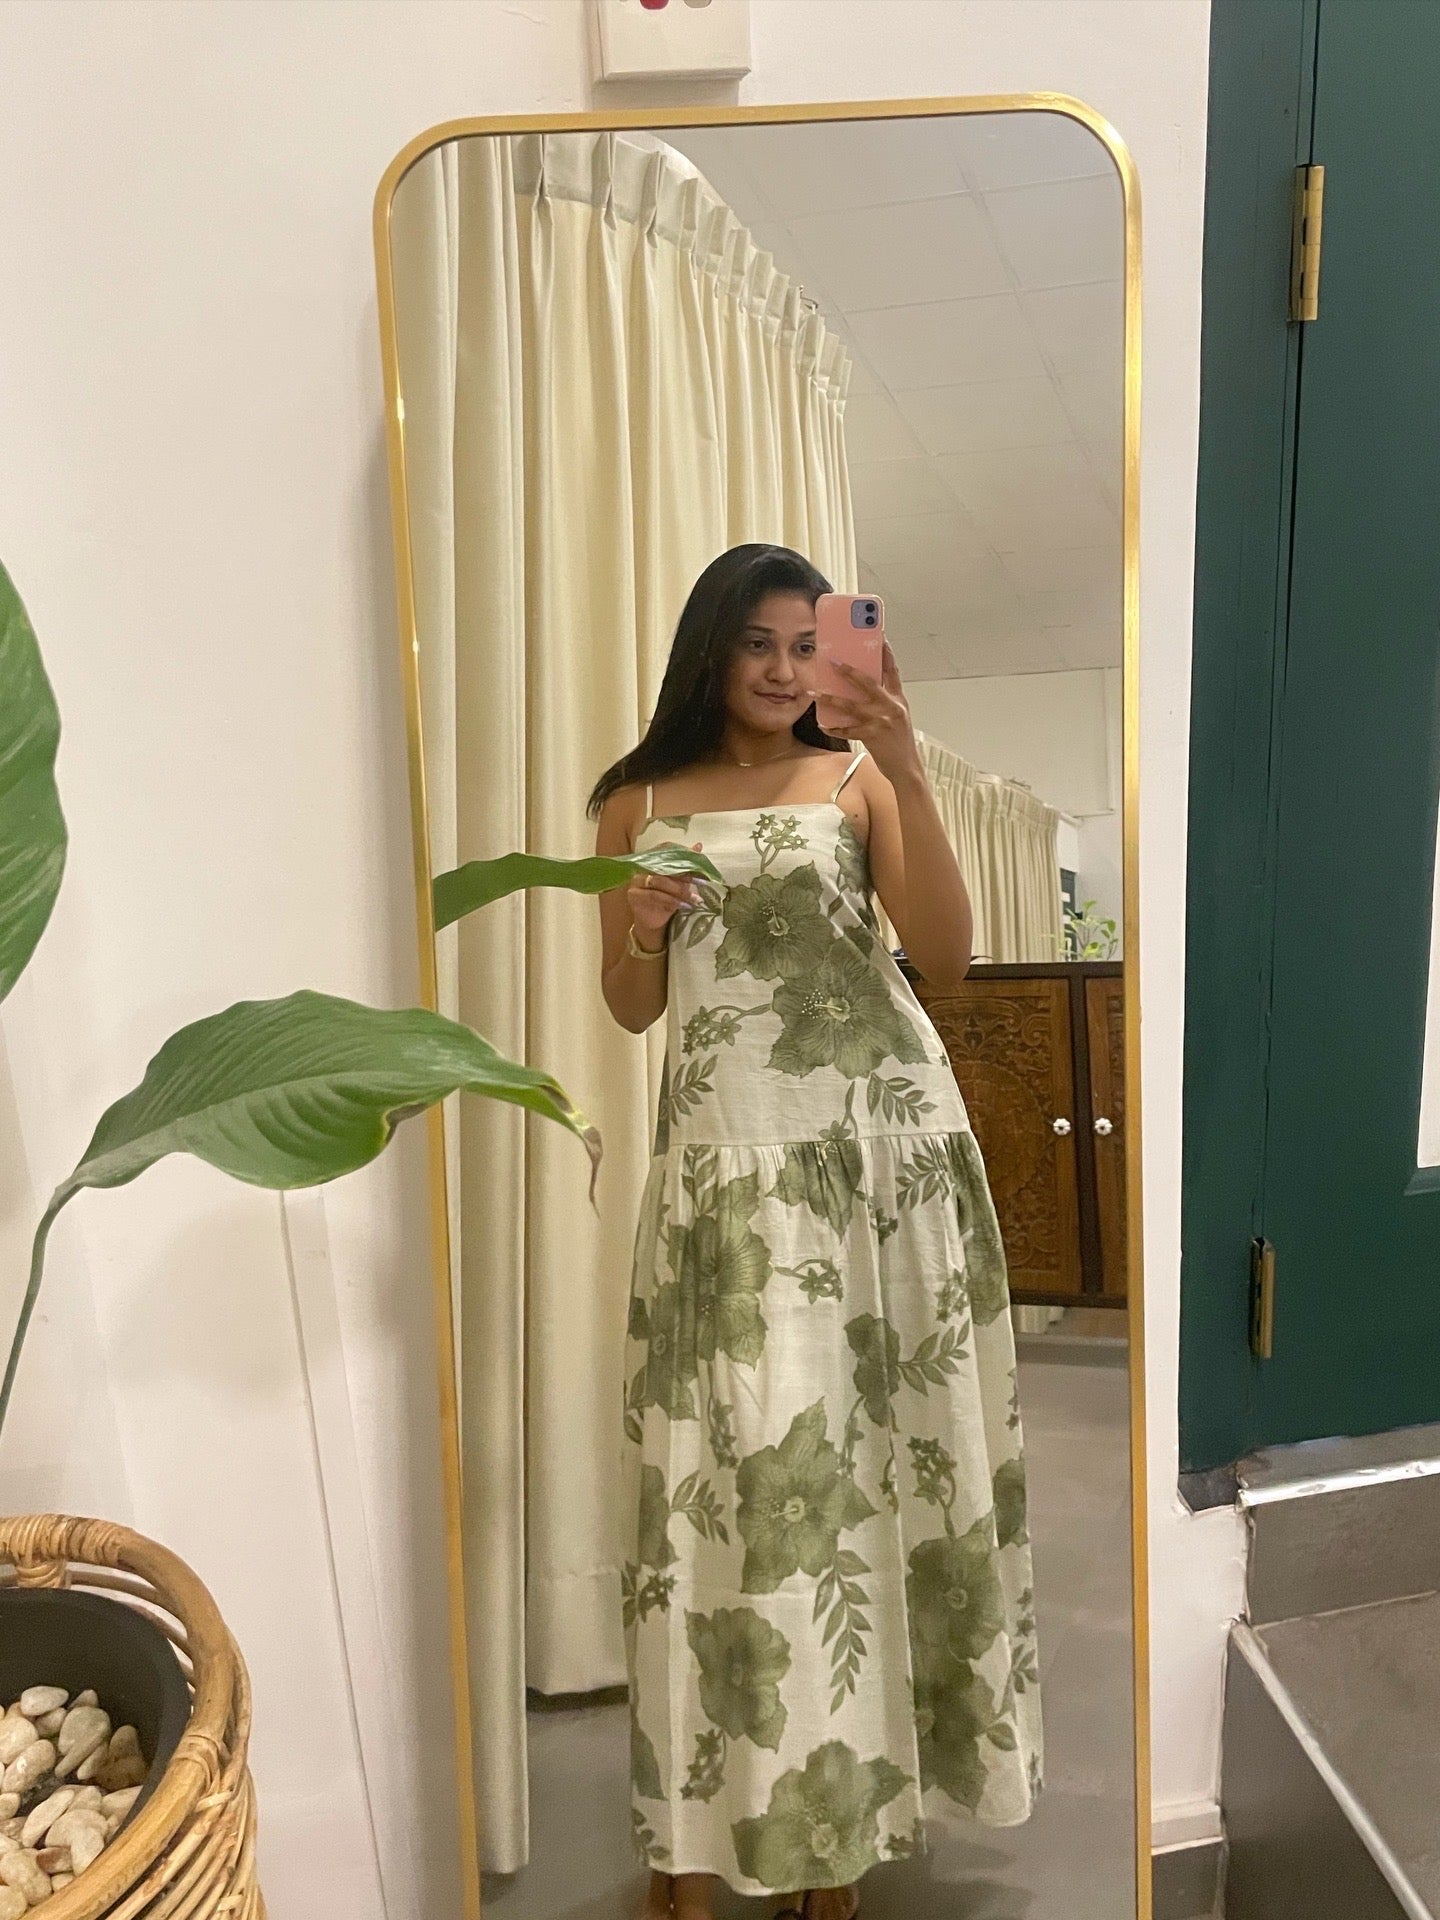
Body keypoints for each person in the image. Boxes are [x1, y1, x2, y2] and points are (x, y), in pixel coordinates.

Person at [590, 545, 1041, 1920]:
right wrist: (643, 924)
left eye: (807, 644)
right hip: (727, 1164)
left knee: (880, 1477)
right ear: (710, 650)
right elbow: (631, 1006)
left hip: (881, 1154)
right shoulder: (633, 801)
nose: (786, 670)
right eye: (759, 644)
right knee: (727, 1484)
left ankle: (838, 1833)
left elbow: (947, 961)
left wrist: (906, 769)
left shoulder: (855, 780)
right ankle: (697, 1831)